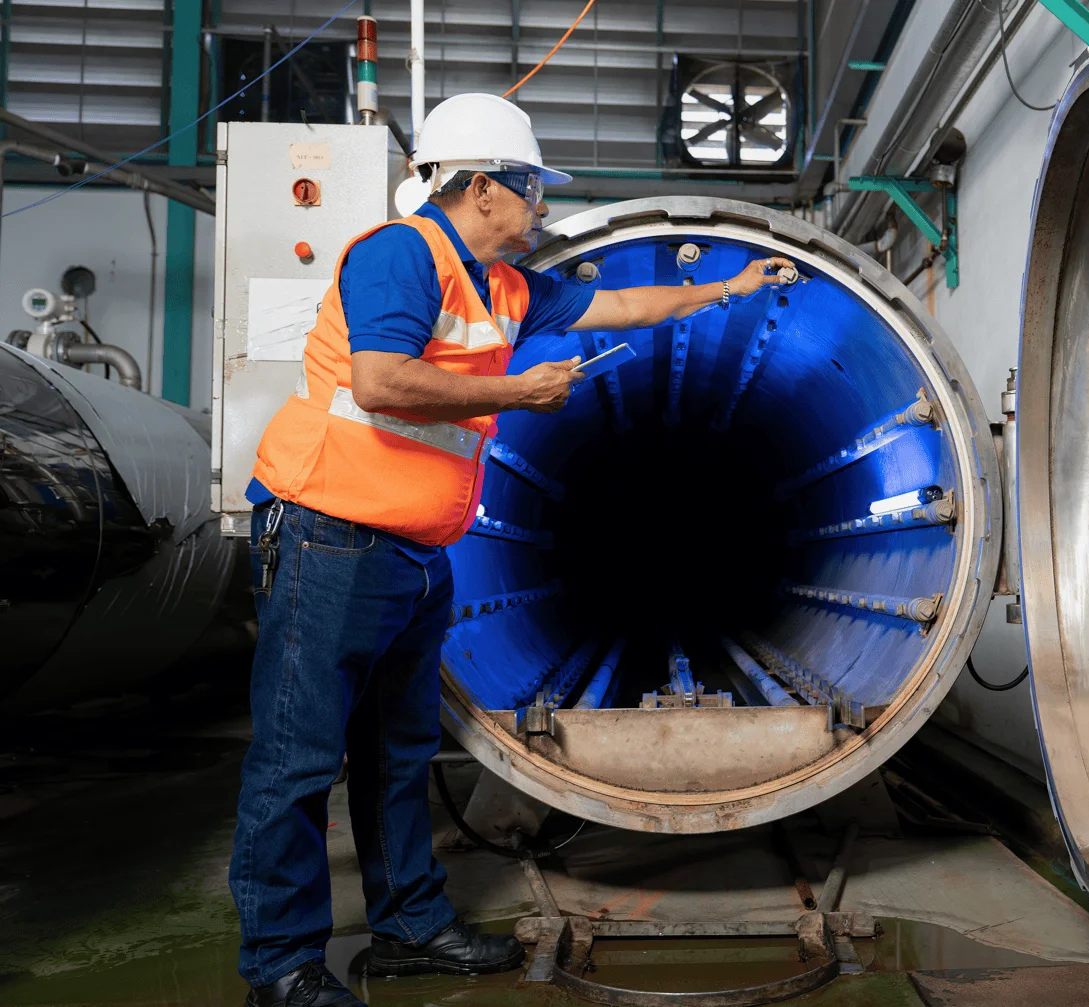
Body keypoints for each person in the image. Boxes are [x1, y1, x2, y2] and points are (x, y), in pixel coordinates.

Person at [232, 92, 795, 1007]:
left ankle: (410, 925)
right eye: (534, 190)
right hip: (329, 536)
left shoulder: (508, 287)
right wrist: (519, 390)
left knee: (398, 753)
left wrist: (727, 290)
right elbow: (378, 381)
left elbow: (621, 301)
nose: (543, 210)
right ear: (484, 186)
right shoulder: (399, 255)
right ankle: (282, 966)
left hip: (415, 553)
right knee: (298, 760)